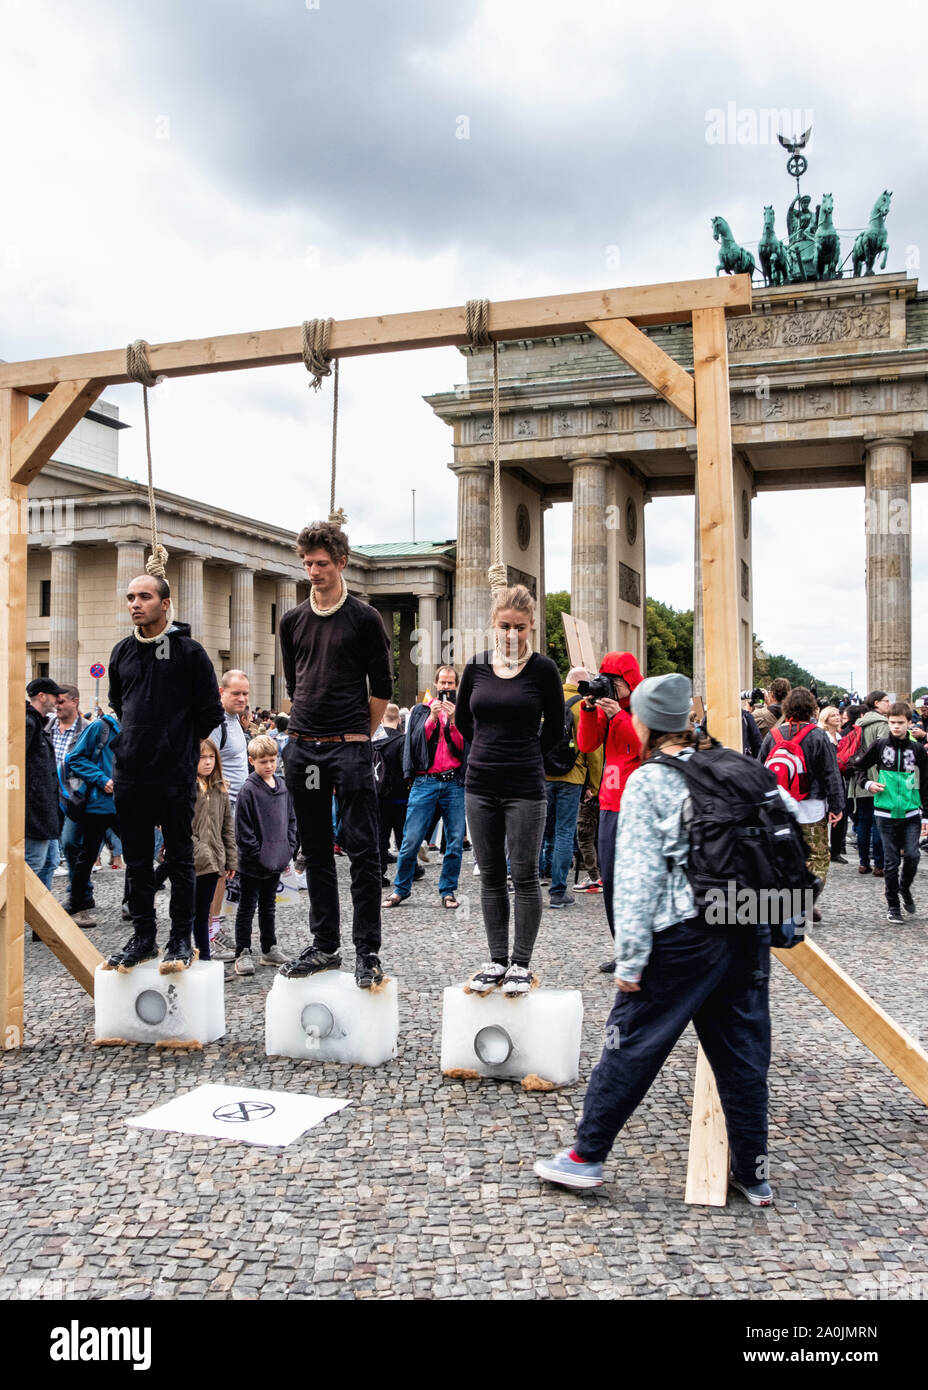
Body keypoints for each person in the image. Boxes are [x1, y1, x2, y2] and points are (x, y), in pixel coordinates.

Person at [534, 673, 775, 1205]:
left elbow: (638, 877)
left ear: (642, 722)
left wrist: (631, 958)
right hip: (748, 928)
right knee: (743, 1054)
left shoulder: (650, 781)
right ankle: (754, 1173)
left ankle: (585, 1157)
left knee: (631, 1044)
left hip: (683, 934)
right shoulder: (742, 769)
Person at [278, 520, 393, 990]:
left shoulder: (364, 619)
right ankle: (325, 945)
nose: (312, 571)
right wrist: (311, 738)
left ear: (341, 562)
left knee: (364, 851)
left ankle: (368, 952)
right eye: (306, 563)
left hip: (348, 750)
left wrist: (356, 738)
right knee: (316, 850)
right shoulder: (292, 620)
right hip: (304, 751)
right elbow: (293, 683)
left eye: (321, 563)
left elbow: (382, 688)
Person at [103, 574, 224, 973]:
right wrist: (137, 741)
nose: (135, 603)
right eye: (131, 597)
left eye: (145, 596)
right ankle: (143, 937)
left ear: (165, 603)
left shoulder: (190, 652)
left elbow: (210, 711)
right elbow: (119, 702)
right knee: (137, 861)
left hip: (173, 774)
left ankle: (179, 939)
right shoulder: (121, 652)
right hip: (131, 773)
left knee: (179, 859)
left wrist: (179, 747)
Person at [454, 585, 564, 996]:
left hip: (525, 786)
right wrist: (486, 748)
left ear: (531, 627)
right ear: (493, 625)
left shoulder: (543, 670)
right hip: (480, 784)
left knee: (525, 876)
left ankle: (521, 962)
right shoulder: (477, 667)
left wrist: (525, 753)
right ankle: (496, 958)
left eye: (520, 627)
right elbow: (464, 722)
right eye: (505, 626)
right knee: (491, 878)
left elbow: (555, 728)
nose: (512, 634)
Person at [576, 651, 643, 972]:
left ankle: (643, 949)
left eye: (613, 682)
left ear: (628, 681)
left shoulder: (645, 706)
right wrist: (589, 710)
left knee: (637, 882)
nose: (609, 687)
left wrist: (619, 715)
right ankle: (624, 950)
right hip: (609, 804)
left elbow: (646, 745)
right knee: (612, 883)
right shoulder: (607, 708)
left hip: (637, 807)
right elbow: (587, 745)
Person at [384, 667, 468, 911]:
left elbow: (465, 746)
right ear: (436, 683)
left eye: (451, 683)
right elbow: (414, 742)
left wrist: (453, 721)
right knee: (411, 839)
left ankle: (448, 890)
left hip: (453, 782)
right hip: (425, 781)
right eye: (443, 682)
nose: (446, 687)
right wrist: (432, 718)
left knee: (453, 842)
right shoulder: (421, 710)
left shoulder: (462, 712)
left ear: (456, 686)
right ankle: (401, 889)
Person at [759, 686, 844, 918]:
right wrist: (837, 806)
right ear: (812, 709)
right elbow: (830, 773)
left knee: (785, 853)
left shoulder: (773, 735)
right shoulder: (818, 735)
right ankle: (805, 902)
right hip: (812, 805)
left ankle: (790, 900)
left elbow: (759, 770)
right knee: (817, 855)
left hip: (780, 806)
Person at [849, 703, 928, 924]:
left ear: (909, 723)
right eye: (892, 722)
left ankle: (905, 888)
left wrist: (926, 815)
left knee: (913, 855)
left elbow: (926, 783)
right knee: (891, 862)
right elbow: (857, 767)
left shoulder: (918, 749)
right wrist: (868, 784)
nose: (895, 726)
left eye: (900, 723)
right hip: (885, 813)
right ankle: (893, 905)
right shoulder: (881, 745)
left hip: (911, 812)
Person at [232, 734, 297, 976]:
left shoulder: (282, 787)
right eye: (263, 762)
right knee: (247, 907)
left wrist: (289, 847)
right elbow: (243, 828)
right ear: (252, 761)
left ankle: (269, 947)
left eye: (272, 760)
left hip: (277, 859)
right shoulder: (248, 790)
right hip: (253, 863)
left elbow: (291, 819)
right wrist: (257, 854)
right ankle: (243, 951)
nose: (269, 766)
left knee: (269, 906)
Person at [542, 666, 604, 909]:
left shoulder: (548, 701)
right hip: (573, 776)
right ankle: (558, 892)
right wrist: (594, 786)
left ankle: (527, 881)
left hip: (544, 775)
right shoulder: (585, 707)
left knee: (537, 831)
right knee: (564, 833)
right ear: (583, 685)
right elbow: (594, 751)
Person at [62, 707, 122, 929]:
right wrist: (101, 779)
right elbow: (74, 759)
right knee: (87, 854)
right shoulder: (100, 727)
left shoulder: (139, 728)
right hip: (99, 804)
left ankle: (132, 905)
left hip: (126, 804)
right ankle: (78, 904)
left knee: (138, 854)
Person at [206, 670, 251, 956]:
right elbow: (206, 765)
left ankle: (214, 927)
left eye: (245, 693)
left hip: (235, 809)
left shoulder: (235, 721)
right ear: (222, 692)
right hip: (221, 809)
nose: (242, 698)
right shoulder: (216, 724)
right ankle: (209, 933)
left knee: (225, 872)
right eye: (236, 693)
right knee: (216, 872)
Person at [191, 738, 237, 962]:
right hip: (194, 859)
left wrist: (230, 860)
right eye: (202, 757)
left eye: (211, 757)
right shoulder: (188, 787)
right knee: (194, 912)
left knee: (204, 911)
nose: (207, 762)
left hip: (215, 858)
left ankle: (205, 955)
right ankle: (201, 956)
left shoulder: (220, 788)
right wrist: (199, 849)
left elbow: (227, 826)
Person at [47, 686, 89, 901]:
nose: (57, 705)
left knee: (71, 843)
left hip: (74, 796)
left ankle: (79, 893)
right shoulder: (47, 727)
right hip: (48, 795)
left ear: (75, 702)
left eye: (62, 701)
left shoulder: (88, 730)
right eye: (56, 701)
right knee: (47, 849)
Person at [24, 678, 64, 893]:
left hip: (44, 811)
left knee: (49, 863)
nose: (57, 700)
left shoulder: (36, 722)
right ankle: (13, 922)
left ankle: (42, 924)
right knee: (33, 865)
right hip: (34, 811)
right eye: (54, 695)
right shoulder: (29, 723)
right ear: (42, 696)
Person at [847, 691, 891, 876]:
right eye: (886, 701)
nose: (889, 704)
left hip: (858, 777)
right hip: (876, 778)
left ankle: (863, 863)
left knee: (863, 822)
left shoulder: (858, 723)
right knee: (877, 822)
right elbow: (884, 753)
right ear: (876, 703)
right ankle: (879, 865)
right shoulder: (882, 724)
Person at [375, 703, 411, 888]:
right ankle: (407, 872)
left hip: (378, 795)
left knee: (380, 835)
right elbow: (407, 767)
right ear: (399, 720)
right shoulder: (402, 740)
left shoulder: (372, 740)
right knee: (403, 836)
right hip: (399, 795)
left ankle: (378, 873)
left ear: (381, 719)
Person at [818, 705, 847, 863]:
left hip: (840, 777)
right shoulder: (821, 736)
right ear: (825, 719)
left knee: (840, 812)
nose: (838, 717)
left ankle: (836, 850)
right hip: (825, 779)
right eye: (833, 715)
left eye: (838, 715)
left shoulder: (842, 737)